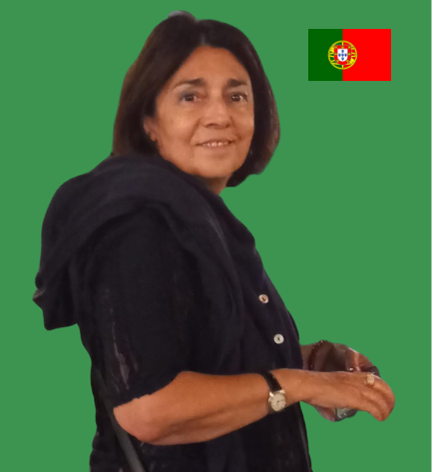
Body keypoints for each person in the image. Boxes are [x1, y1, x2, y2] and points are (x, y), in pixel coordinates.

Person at [32, 11, 395, 472]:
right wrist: (298, 385)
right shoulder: (139, 224)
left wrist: (311, 365)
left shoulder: (195, 218)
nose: (220, 115)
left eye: (237, 96)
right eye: (191, 96)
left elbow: (208, 356)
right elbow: (150, 407)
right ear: (149, 121)